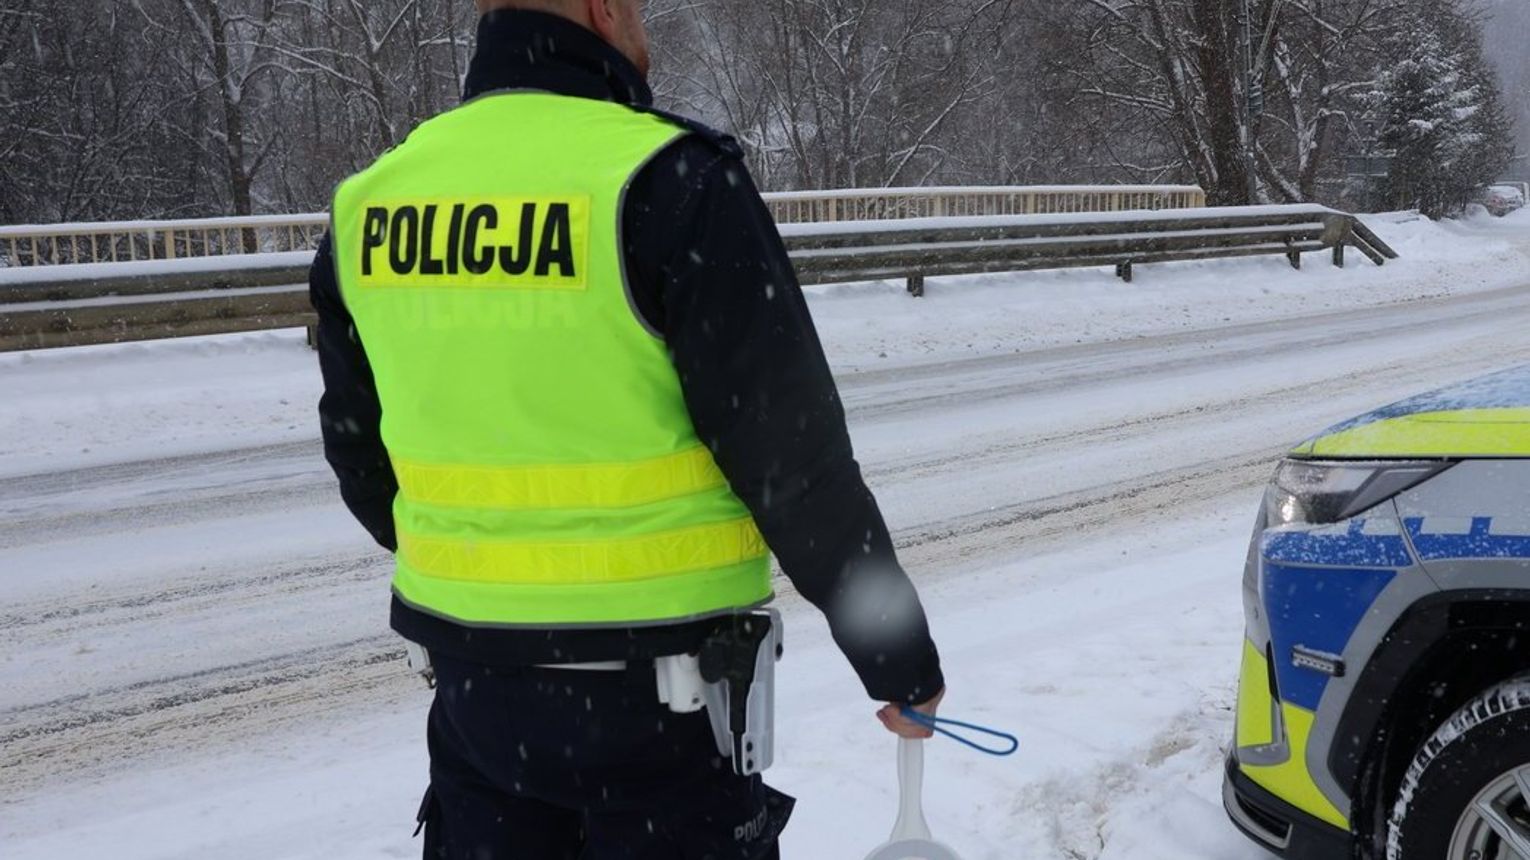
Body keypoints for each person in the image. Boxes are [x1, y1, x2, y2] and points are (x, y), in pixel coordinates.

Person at [308, 1, 945, 856]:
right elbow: (795, 466)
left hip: (475, 707)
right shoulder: (669, 180)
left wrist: (489, 570)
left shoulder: (372, 204)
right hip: (659, 720)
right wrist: (898, 661)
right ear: (603, 8)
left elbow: (359, 449)